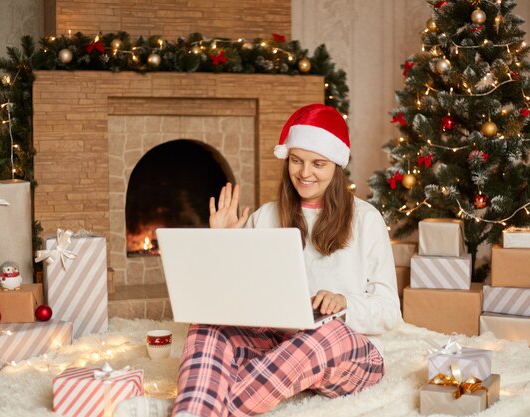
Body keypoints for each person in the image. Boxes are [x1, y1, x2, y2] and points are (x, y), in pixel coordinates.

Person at [172, 103, 401, 417]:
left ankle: (210, 408)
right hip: (278, 347)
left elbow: (390, 311)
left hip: (349, 353)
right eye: (296, 161)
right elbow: (233, 298)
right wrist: (223, 243)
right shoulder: (266, 215)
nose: (305, 173)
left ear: (336, 165)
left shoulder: (367, 220)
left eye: (318, 163)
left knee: (324, 332)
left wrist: (343, 303)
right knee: (207, 327)